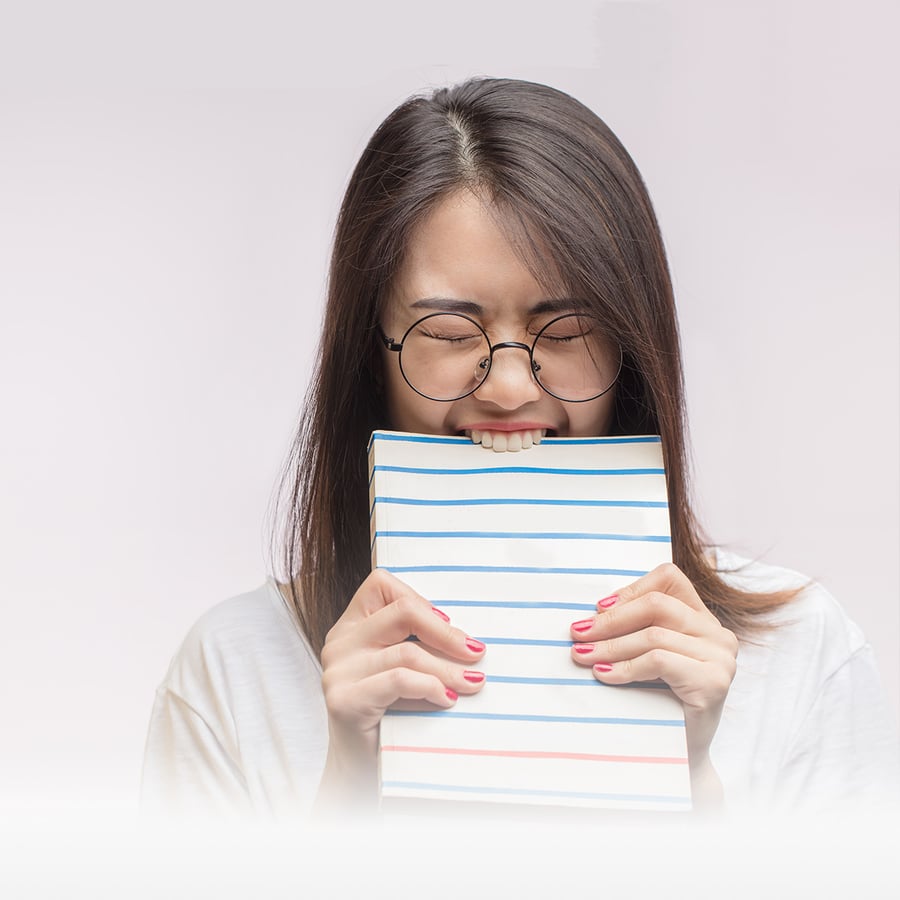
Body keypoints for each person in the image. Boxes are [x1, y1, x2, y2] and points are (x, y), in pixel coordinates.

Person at [141, 76, 899, 821]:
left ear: (633, 348)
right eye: (446, 332)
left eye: (566, 330)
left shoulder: (804, 656)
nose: (507, 387)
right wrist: (347, 792)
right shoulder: (232, 673)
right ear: (369, 352)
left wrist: (692, 787)